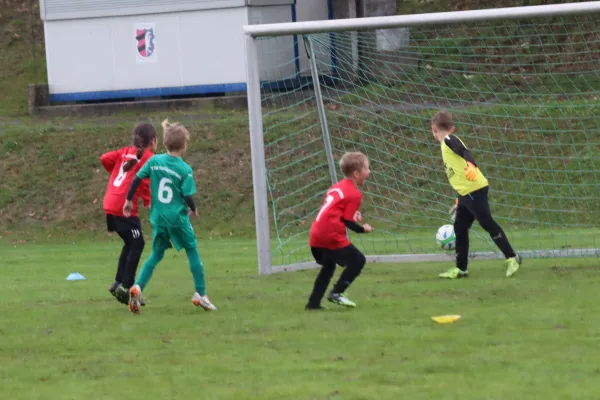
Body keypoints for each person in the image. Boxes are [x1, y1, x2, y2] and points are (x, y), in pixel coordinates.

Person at [123, 119, 216, 314]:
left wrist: (129, 200)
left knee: (156, 254)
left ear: (164, 143)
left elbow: (137, 178)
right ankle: (201, 293)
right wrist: (194, 210)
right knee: (192, 250)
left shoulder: (154, 161)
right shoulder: (184, 169)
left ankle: (138, 287)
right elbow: (187, 195)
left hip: (158, 217)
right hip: (177, 218)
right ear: (184, 146)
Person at [431, 110, 521, 279]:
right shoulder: (446, 143)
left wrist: (472, 165)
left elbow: (464, 152)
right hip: (466, 194)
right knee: (460, 228)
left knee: (487, 222)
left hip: (474, 190)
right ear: (452, 127)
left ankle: (512, 257)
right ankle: (461, 269)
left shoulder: (449, 139)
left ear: (433, 128)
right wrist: (461, 198)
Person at [305, 151, 372, 310]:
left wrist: (351, 215)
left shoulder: (337, 187)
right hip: (331, 235)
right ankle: (337, 292)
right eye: (367, 169)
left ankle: (313, 304)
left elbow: (336, 211)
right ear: (356, 173)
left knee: (329, 266)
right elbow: (347, 221)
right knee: (358, 260)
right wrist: (362, 229)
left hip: (316, 233)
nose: (369, 172)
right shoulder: (354, 193)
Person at [100, 122, 157, 305]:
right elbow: (146, 183)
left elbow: (104, 158)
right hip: (123, 206)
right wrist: (149, 204)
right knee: (138, 243)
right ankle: (126, 287)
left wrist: (115, 173)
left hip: (110, 202)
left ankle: (118, 282)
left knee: (130, 243)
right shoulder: (148, 157)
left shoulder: (126, 152)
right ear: (153, 141)